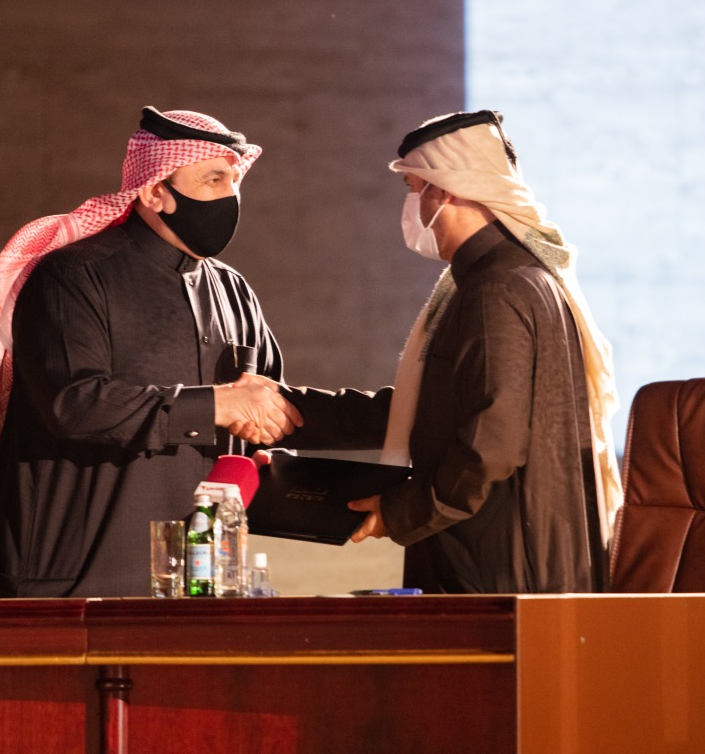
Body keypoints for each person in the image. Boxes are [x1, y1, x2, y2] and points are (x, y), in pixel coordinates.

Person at [266, 110, 623, 594]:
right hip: (498, 553)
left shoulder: (498, 288)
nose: (411, 204)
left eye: (414, 189)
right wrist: (287, 407)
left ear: (446, 190)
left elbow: (491, 443)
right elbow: (429, 412)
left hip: (496, 569)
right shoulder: (504, 278)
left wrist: (403, 511)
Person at [0, 106, 303, 598]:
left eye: (234, 181)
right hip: (75, 582)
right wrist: (217, 405)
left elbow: (265, 406)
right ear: (153, 191)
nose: (229, 196)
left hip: (200, 578)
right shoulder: (72, 277)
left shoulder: (233, 291)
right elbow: (75, 404)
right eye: (212, 180)